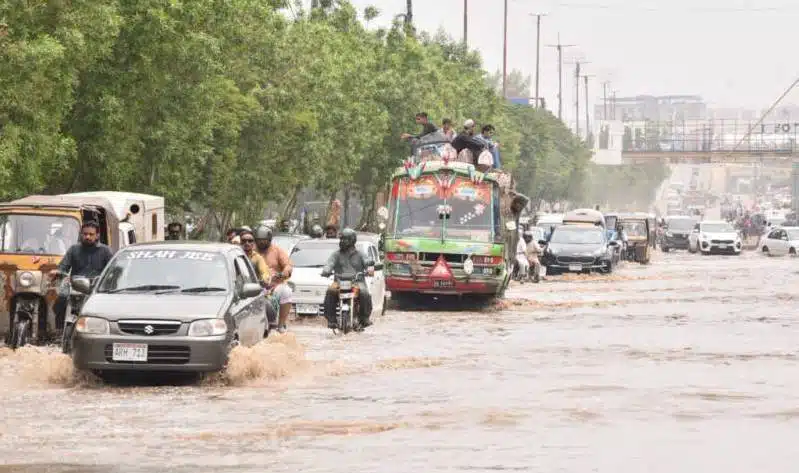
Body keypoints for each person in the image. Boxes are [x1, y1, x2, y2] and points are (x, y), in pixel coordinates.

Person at [49, 221, 114, 332]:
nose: (87, 237)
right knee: (60, 301)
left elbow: (112, 270)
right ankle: (59, 332)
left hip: (96, 288)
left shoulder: (105, 250)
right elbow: (63, 266)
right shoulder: (74, 249)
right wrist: (58, 272)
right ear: (81, 234)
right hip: (75, 286)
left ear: (97, 235)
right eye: (85, 234)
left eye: (91, 234)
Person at [320, 228, 374, 329]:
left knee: (365, 293)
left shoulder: (360, 254)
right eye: (341, 239)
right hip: (339, 282)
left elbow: (367, 262)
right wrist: (326, 270)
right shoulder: (336, 254)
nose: (341, 241)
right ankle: (331, 320)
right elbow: (329, 263)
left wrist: (369, 267)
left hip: (357, 282)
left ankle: (364, 318)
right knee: (330, 291)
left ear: (352, 240)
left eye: (344, 239)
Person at [254, 225, 293, 333]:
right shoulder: (252, 252)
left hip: (274, 285)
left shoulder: (277, 250)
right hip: (255, 286)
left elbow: (288, 265)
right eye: (259, 240)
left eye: (264, 240)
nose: (261, 243)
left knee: (287, 291)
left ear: (269, 240)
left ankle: (281, 325)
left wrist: (282, 274)